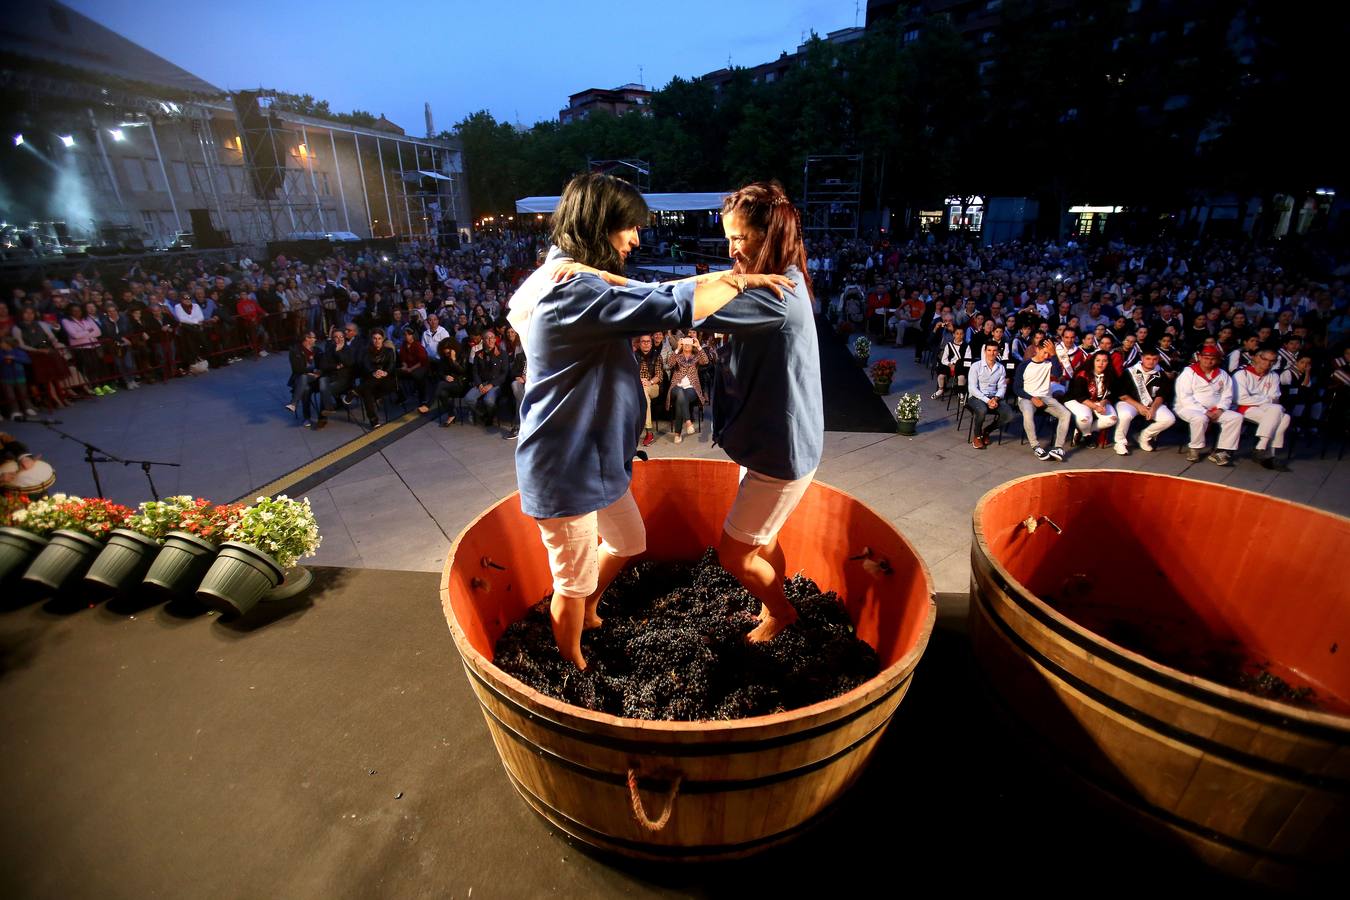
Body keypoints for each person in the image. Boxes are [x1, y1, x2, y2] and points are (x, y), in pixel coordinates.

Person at [507, 172, 790, 668]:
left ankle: (589, 609)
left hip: (596, 459)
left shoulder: (578, 276)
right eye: (630, 227)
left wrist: (725, 280)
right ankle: (573, 664)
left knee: (629, 542)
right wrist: (738, 281)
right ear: (600, 225)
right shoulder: (572, 291)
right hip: (567, 467)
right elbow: (664, 303)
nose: (637, 238)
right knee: (571, 581)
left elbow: (646, 290)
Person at [701, 181, 823, 643]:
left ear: (767, 236)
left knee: (734, 555)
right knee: (761, 540)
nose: (731, 249)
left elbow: (683, 310)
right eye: (729, 237)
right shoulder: (779, 276)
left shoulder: (774, 294)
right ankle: (772, 598)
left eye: (740, 238)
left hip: (781, 455)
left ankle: (781, 612)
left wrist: (613, 288)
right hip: (770, 443)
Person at [1174, 344, 1242, 466]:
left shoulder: (1222, 374)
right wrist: (1205, 411)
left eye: (1212, 359)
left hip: (1215, 409)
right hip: (1189, 408)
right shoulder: (1189, 372)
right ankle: (1195, 448)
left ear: (1217, 360)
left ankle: (1221, 451)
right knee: (1200, 418)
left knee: (1236, 417)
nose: (1209, 361)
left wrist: (1221, 409)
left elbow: (1227, 395)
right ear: (1199, 357)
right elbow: (1185, 397)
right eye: (1205, 358)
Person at [1014, 335, 1072, 462]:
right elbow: (1016, 388)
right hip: (1027, 397)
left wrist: (1054, 354)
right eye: (1045, 352)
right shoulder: (1024, 365)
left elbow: (1057, 374)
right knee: (1028, 414)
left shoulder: (1049, 363)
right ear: (1037, 349)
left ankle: (1058, 447)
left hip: (1045, 397)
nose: (1046, 356)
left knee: (1066, 414)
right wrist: (1032, 398)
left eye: (1048, 353)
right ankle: (1035, 446)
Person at [1232, 349, 1291, 470]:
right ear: (1257, 358)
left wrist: (1261, 399)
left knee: (1281, 414)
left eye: (1272, 361)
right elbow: (1241, 399)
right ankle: (1269, 455)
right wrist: (1266, 399)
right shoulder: (1242, 374)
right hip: (1244, 408)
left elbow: (1275, 397)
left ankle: (1261, 446)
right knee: (1282, 415)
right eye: (1265, 359)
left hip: (1266, 409)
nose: (1268, 363)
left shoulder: (1273, 375)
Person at [1114, 348, 1175, 453]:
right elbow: (1122, 395)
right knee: (1125, 415)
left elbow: (1161, 395)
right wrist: (1139, 406)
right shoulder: (1129, 371)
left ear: (1158, 359)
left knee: (1169, 419)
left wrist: (1153, 409)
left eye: (1154, 359)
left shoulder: (1161, 374)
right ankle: (1120, 443)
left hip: (1152, 404)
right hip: (1129, 403)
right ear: (1142, 358)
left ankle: (1145, 436)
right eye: (1148, 358)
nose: (1151, 362)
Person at [1063, 351, 1120, 444]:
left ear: (1108, 362)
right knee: (1085, 418)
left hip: (1099, 401)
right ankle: (1087, 435)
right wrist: (1096, 407)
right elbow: (1080, 396)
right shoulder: (1083, 374)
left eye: (1104, 361)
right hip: (1077, 400)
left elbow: (1113, 393)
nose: (1101, 363)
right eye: (1098, 360)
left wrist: (1105, 401)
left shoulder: (1111, 374)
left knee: (1112, 419)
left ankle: (1084, 432)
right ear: (1093, 361)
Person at [966, 340, 1015, 449]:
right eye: (989, 350)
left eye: (994, 351)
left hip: (994, 397)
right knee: (982, 411)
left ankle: (987, 431)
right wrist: (988, 401)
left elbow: (1002, 387)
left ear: (998, 352)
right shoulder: (976, 366)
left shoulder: (1000, 367)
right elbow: (972, 388)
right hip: (977, 397)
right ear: (985, 351)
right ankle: (977, 435)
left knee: (1009, 415)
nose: (991, 353)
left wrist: (996, 399)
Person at [666, 334, 708, 443]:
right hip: (676, 386)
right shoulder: (677, 355)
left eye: (690, 342)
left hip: (692, 388)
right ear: (682, 343)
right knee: (680, 392)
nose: (687, 344)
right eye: (685, 342)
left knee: (681, 398)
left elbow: (706, 361)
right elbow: (669, 364)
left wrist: (698, 346)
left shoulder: (696, 356)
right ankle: (688, 422)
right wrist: (678, 348)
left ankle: (677, 434)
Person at [357, 330, 397, 428]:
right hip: (371, 381)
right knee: (367, 392)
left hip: (386, 381)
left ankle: (355, 391)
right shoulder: (366, 352)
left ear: (383, 339)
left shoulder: (389, 351)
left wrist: (385, 372)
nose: (377, 341)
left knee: (366, 389)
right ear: (371, 339)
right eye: (374, 338)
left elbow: (391, 366)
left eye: (379, 338)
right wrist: (374, 372)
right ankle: (374, 421)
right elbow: (366, 365)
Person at [287, 331, 326, 429]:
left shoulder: (317, 350)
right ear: (307, 338)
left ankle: (293, 403)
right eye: (313, 337)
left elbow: (323, 364)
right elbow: (296, 369)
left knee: (308, 382)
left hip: (316, 378)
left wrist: (317, 372)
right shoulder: (295, 351)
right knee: (305, 388)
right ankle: (306, 418)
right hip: (300, 378)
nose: (315, 339)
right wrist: (310, 371)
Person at [432, 337, 469, 427]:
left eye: (448, 353)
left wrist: (453, 360)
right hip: (448, 384)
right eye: (445, 353)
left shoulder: (462, 355)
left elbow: (463, 371)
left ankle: (429, 403)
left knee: (440, 385)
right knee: (442, 393)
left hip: (461, 384)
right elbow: (439, 372)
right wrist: (445, 376)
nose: (447, 355)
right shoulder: (444, 358)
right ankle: (451, 414)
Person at [635, 333, 662, 447]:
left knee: (645, 391)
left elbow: (659, 376)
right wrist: (638, 380)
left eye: (648, 341)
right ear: (639, 344)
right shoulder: (634, 356)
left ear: (651, 343)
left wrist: (649, 382)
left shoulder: (657, 356)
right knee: (643, 393)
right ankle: (648, 432)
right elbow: (629, 373)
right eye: (643, 341)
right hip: (638, 386)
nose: (646, 344)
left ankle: (647, 432)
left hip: (653, 386)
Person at [396, 327, 431, 414]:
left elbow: (422, 361)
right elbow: (402, 358)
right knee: (395, 373)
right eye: (405, 335)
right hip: (409, 366)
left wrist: (411, 369)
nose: (406, 336)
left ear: (412, 335)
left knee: (418, 376)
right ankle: (402, 396)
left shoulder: (417, 345)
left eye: (408, 335)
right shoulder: (404, 345)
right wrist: (404, 366)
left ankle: (423, 399)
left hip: (420, 366)